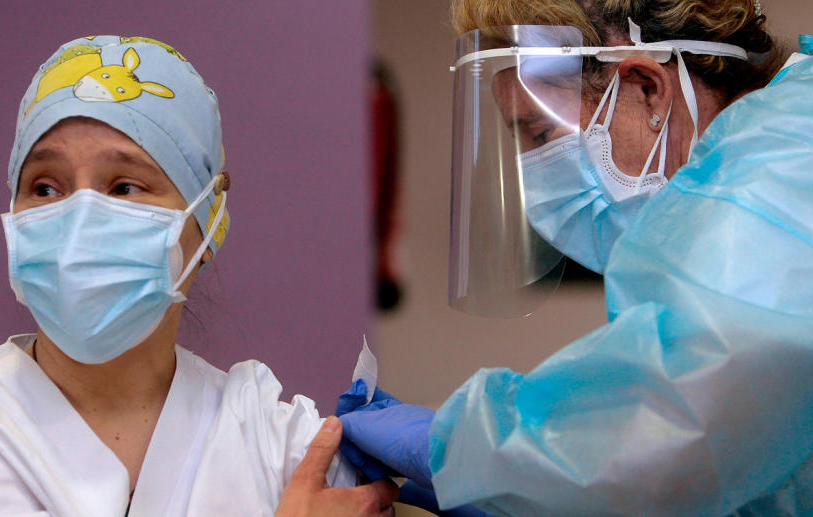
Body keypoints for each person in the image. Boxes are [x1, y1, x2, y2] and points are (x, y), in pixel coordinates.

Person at [0, 35, 398, 517]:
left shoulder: (277, 440)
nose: (79, 220)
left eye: (124, 187)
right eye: (45, 188)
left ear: (208, 223)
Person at [336, 0, 813, 515]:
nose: (532, 173)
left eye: (540, 135)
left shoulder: (772, 172)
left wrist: (462, 451)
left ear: (647, 87)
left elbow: (680, 426)